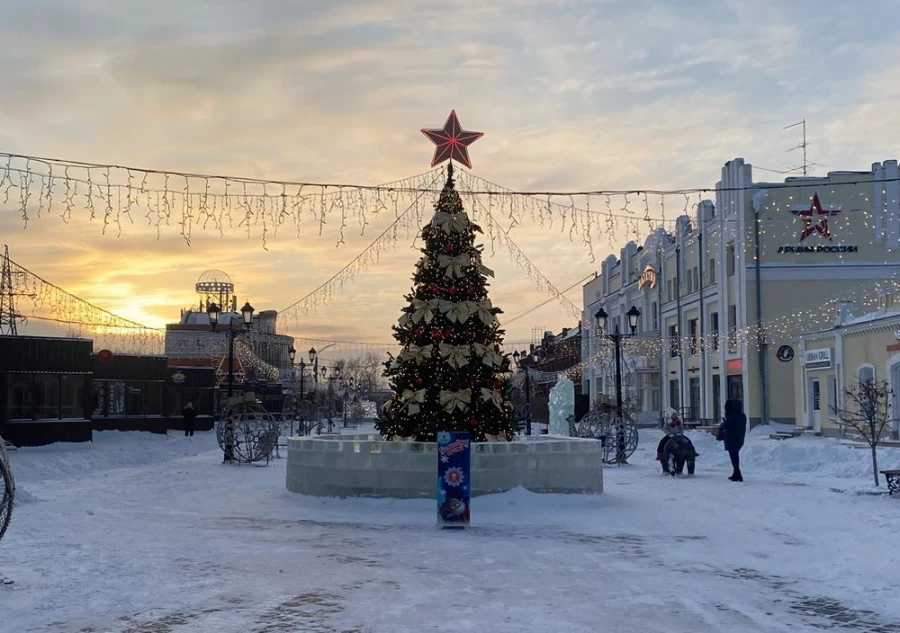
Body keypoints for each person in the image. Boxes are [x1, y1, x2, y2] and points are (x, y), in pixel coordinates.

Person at [722, 399, 747, 481]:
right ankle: (735, 473)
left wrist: (724, 423)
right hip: (740, 438)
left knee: (734, 457)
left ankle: (738, 474)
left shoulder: (731, 416)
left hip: (731, 439)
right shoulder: (742, 415)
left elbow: (726, 426)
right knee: (735, 455)